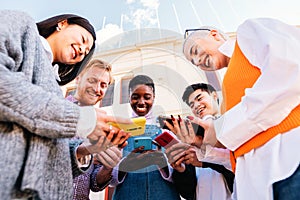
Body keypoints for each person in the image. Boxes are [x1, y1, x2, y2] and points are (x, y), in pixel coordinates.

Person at [0, 10, 129, 199]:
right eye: (84, 39)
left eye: (86, 53)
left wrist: (86, 150)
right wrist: (80, 119)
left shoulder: (53, 85)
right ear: (62, 23)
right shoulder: (23, 25)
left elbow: (49, 153)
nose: (82, 51)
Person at [183, 19, 300, 200]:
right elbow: (236, 151)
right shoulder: (226, 97)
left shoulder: (248, 32)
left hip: (287, 165)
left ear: (214, 34)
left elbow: (291, 70)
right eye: (193, 62)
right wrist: (206, 144)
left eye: (195, 51)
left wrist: (222, 129)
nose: (198, 61)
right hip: (254, 185)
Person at [66, 59, 129, 199]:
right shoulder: (55, 110)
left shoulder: (102, 127)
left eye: (103, 85)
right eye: (92, 80)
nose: (97, 89)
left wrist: (108, 167)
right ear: (78, 79)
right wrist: (84, 151)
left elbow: (95, 183)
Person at [110, 75, 181, 200]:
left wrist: (163, 164)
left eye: (147, 97)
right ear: (129, 98)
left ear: (153, 98)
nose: (141, 102)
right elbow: (108, 179)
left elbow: (183, 174)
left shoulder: (167, 131)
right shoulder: (120, 131)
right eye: (135, 97)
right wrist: (123, 167)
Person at [165, 83, 234, 200]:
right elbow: (187, 193)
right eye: (191, 104)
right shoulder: (189, 139)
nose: (196, 105)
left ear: (214, 96)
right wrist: (181, 170)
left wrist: (203, 160)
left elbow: (236, 165)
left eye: (199, 98)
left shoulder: (230, 124)